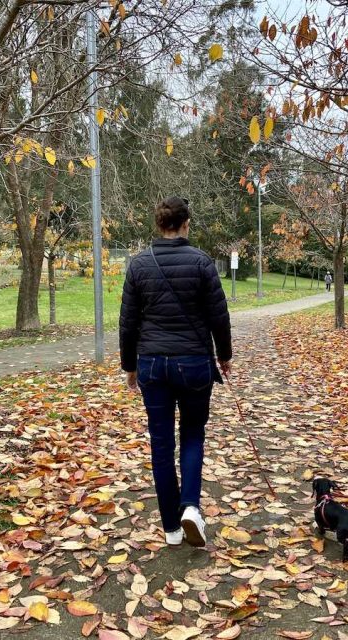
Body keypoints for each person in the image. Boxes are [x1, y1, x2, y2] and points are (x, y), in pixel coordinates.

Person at [119, 196, 232, 548]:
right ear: (186, 224)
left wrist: (129, 366)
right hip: (194, 363)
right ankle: (190, 506)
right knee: (193, 434)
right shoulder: (202, 263)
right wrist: (224, 356)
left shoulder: (138, 265)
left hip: (153, 364)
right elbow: (219, 316)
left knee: (162, 445)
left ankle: (171, 528)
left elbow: (128, 323)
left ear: (158, 224)